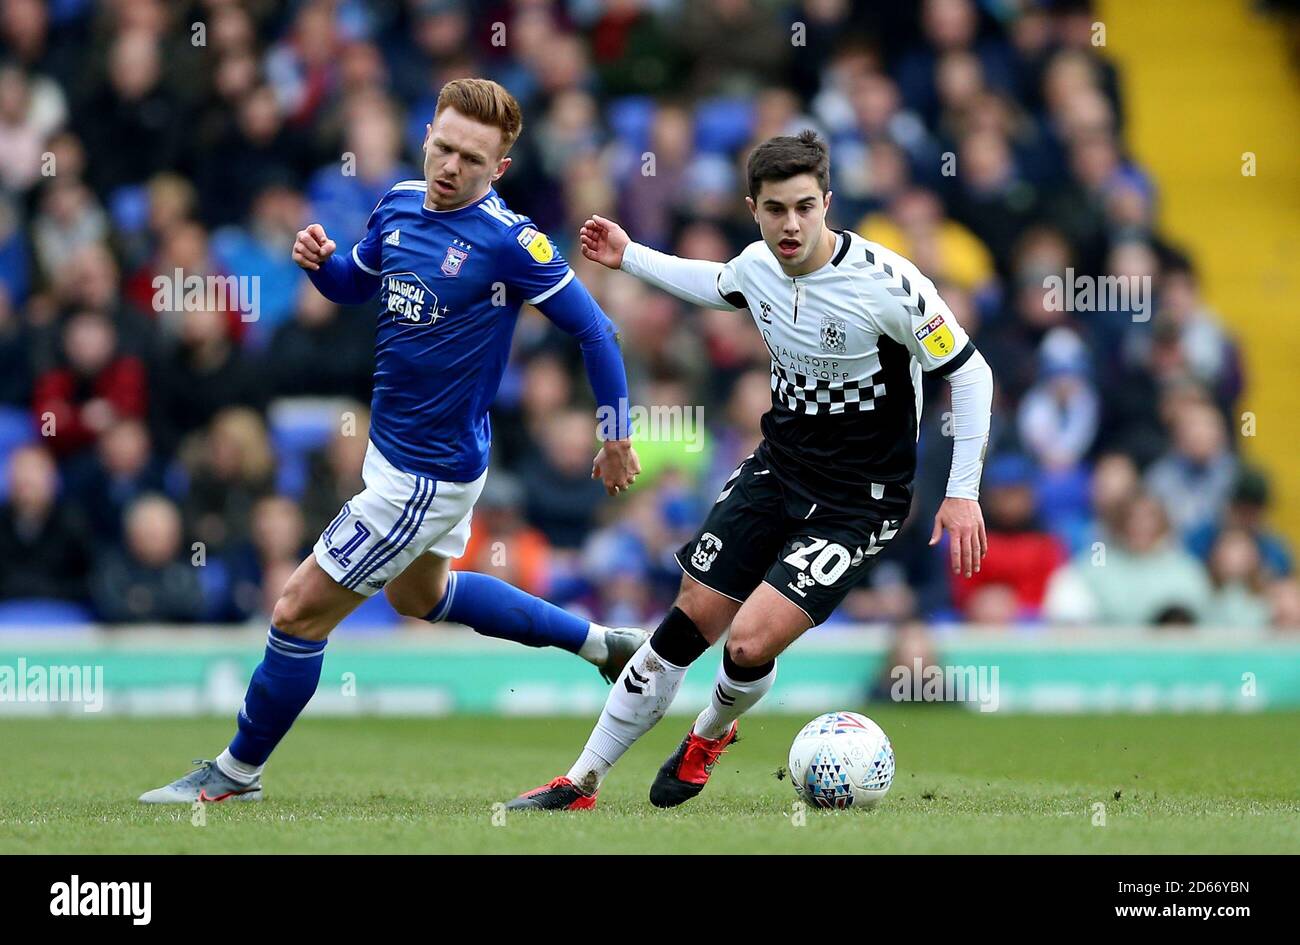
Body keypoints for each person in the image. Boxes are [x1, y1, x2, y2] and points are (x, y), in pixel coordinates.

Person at [140, 78, 644, 804]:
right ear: (426, 138)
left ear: (498, 168)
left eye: (472, 158)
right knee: (423, 596)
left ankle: (235, 773)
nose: (450, 167)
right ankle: (604, 644)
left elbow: (595, 328)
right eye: (442, 146)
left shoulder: (511, 242)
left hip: (424, 477)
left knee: (295, 610)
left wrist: (616, 433)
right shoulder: (401, 202)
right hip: (398, 451)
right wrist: (321, 266)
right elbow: (358, 283)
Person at [508, 130, 993, 811]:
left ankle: (708, 734)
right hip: (778, 469)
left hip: (863, 499)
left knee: (748, 642)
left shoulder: (889, 285)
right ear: (753, 209)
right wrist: (628, 257)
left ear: (827, 202)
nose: (790, 224)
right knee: (687, 618)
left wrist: (962, 493)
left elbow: (971, 372)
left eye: (803, 207)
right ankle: (580, 780)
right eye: (774, 210)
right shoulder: (758, 265)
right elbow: (714, 284)